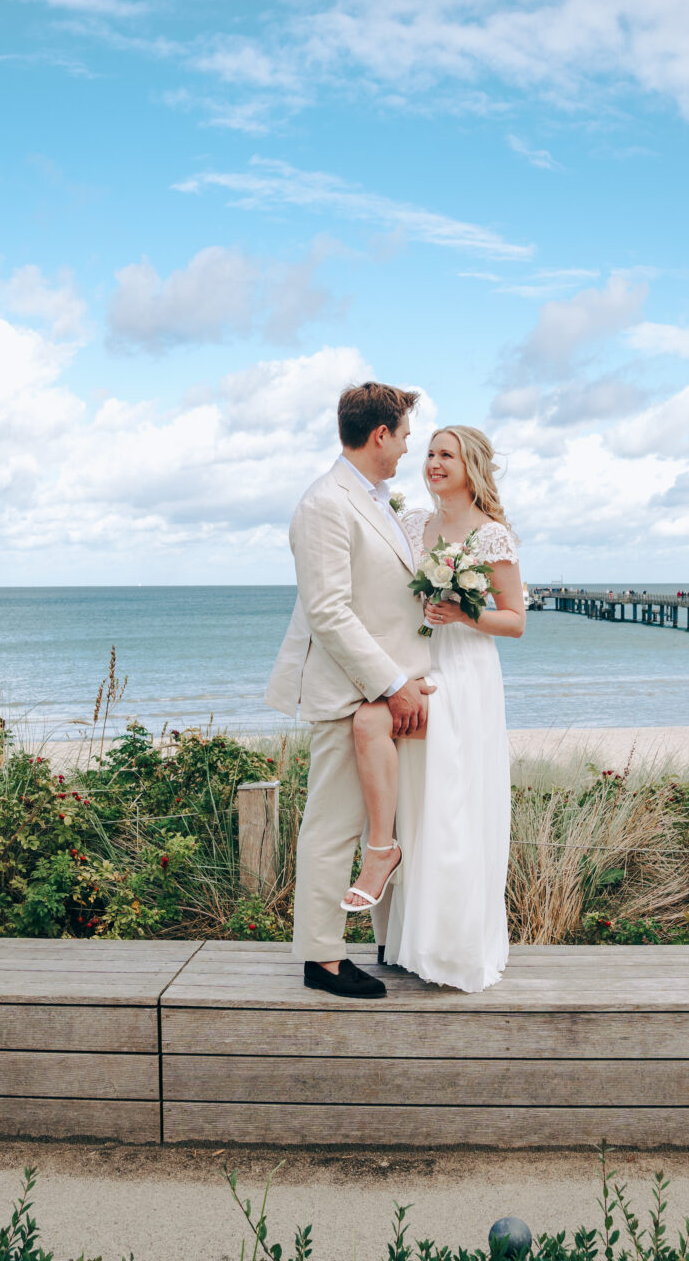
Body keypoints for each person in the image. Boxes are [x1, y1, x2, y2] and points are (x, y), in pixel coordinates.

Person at [264, 382, 435, 1000]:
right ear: (380, 434)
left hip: (386, 693)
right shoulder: (325, 504)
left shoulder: (374, 499)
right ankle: (323, 959)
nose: (409, 448)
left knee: (387, 822)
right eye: (406, 436)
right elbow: (330, 612)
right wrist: (391, 685)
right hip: (349, 692)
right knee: (334, 828)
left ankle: (390, 944)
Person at [384, 425, 524, 992]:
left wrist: (463, 612)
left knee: (456, 799)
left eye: (447, 455)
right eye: (430, 453)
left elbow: (514, 621)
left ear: (472, 466)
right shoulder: (414, 523)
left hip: (466, 671)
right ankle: (414, 943)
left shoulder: (493, 536)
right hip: (417, 663)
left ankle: (457, 948)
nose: (434, 463)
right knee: (417, 800)